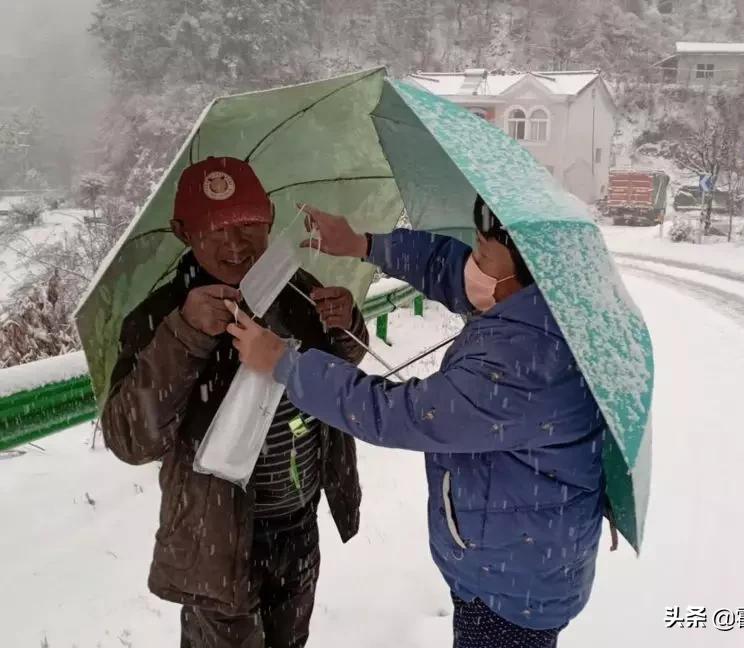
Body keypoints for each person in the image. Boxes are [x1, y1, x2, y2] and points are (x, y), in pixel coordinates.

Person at [226, 196, 606, 648]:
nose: (471, 264)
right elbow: (448, 268)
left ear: (520, 276)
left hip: (511, 592)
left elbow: (397, 414)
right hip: (516, 551)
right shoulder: (543, 304)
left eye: (483, 256)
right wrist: (363, 244)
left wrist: (286, 364)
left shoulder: (525, 360)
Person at [101, 156, 368, 648]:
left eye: (247, 224)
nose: (235, 243)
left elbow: (340, 375)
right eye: (214, 230)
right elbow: (132, 440)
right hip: (217, 543)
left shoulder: (296, 289)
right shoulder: (160, 317)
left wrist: (347, 326)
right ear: (184, 233)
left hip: (298, 525)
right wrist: (183, 336)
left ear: (269, 215)